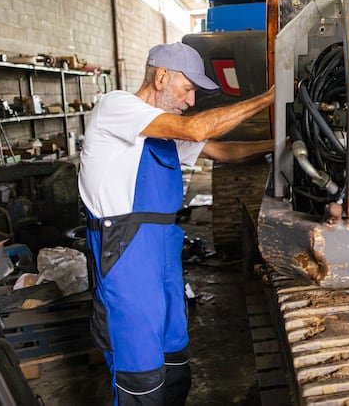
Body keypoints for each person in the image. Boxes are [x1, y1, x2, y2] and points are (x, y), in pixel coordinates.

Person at [78, 42, 274, 405]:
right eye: (188, 89)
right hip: (125, 259)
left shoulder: (162, 134)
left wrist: (284, 143)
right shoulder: (117, 107)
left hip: (163, 256)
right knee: (141, 374)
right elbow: (198, 130)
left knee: (175, 362)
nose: (190, 100)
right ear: (161, 75)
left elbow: (225, 151)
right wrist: (269, 98)